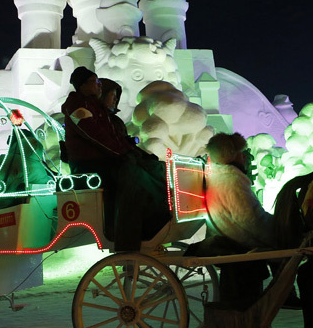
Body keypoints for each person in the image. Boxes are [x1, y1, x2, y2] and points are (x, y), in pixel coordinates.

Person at [62, 66, 169, 251]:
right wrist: (124, 154)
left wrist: (138, 154)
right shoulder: (78, 107)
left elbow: (116, 139)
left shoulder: (97, 107)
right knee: (133, 175)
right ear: (82, 85)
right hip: (90, 166)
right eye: (94, 82)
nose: (98, 85)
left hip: (106, 161)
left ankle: (158, 216)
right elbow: (97, 137)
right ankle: (127, 239)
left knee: (155, 168)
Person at [190, 132, 276, 303]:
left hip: (227, 233)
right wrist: (277, 230)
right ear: (231, 155)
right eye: (240, 152)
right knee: (284, 243)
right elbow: (251, 219)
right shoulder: (232, 180)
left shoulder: (220, 176)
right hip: (238, 238)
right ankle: (285, 292)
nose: (244, 157)